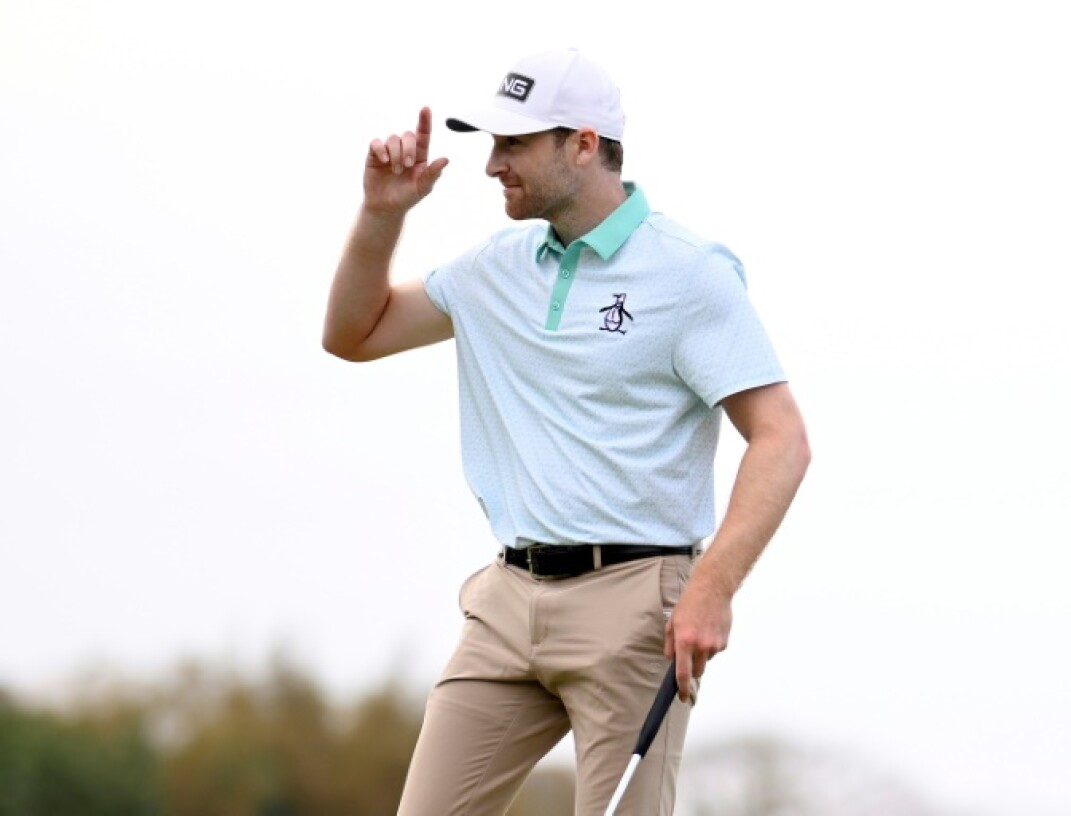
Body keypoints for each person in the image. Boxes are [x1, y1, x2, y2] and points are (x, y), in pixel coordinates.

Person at [323, 48, 809, 816]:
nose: (492, 164)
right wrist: (382, 216)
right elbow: (354, 334)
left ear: (583, 144)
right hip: (506, 603)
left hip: (636, 606)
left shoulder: (689, 274)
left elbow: (781, 438)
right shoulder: (495, 268)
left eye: (514, 144)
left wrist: (712, 588)